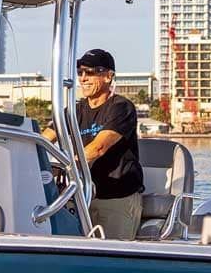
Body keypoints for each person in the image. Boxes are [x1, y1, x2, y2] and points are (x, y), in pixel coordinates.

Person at [47, 48, 143, 240]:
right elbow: (44, 139)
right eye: (80, 72)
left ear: (108, 76)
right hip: (82, 196)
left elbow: (98, 148)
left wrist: (67, 166)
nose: (83, 78)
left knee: (112, 259)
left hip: (116, 197)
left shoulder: (121, 107)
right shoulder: (74, 111)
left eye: (90, 72)